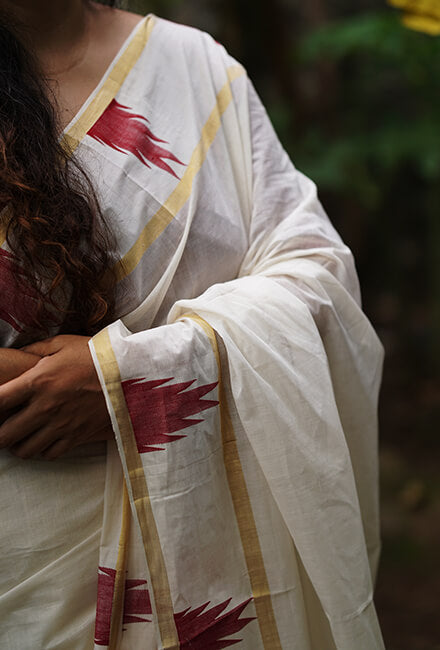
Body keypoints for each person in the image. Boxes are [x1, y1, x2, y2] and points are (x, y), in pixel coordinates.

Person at [0, 1, 385, 648]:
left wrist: (135, 377)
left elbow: (314, 275)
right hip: (27, 567)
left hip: (206, 545)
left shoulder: (193, 70)